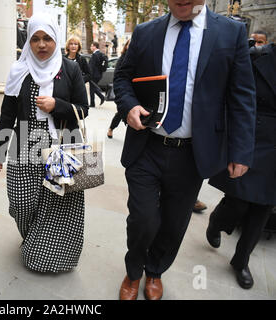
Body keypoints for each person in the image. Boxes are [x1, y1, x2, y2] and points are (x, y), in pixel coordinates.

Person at [114, 0, 256, 300]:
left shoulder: (231, 33)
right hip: (147, 147)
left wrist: (241, 150)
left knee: (174, 223)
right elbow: (122, 77)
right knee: (142, 219)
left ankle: (155, 271)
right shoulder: (146, 32)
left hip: (192, 155)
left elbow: (242, 95)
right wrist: (129, 106)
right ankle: (134, 271)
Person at [0, 13, 89, 273]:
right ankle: (31, 236)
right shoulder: (19, 70)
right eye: (35, 39)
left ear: (56, 39)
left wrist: (58, 105)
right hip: (25, 141)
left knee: (59, 205)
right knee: (21, 203)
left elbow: (83, 108)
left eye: (47, 38)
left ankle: (46, 255)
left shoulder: (69, 69)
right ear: (28, 42)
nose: (42, 44)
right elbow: (7, 113)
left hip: (63, 142)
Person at [206, 41, 275, 290]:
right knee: (239, 200)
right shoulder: (257, 56)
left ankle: (241, 261)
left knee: (263, 208)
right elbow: (235, 98)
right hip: (252, 138)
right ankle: (217, 221)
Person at [107, 39, 130, 139]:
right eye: (129, 44)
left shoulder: (139, 58)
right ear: (126, 46)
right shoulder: (123, 59)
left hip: (136, 90)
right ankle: (111, 128)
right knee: (121, 112)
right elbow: (118, 77)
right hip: (124, 91)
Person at [89, 42, 105, 108]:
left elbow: (91, 66)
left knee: (92, 88)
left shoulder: (95, 55)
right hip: (99, 74)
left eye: (91, 46)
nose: (90, 47)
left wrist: (89, 74)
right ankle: (93, 103)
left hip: (93, 75)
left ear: (95, 47)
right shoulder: (101, 54)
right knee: (93, 88)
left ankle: (101, 97)